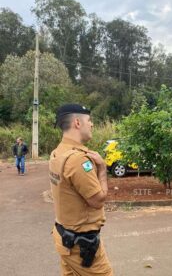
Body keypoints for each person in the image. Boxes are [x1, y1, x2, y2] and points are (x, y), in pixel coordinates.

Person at [49, 104, 113, 276]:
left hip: (65, 238)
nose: (91, 124)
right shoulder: (78, 160)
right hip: (82, 247)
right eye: (89, 120)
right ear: (77, 122)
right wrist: (102, 169)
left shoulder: (57, 153)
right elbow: (97, 201)